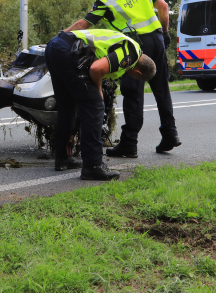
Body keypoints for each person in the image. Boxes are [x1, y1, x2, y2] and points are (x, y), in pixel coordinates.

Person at [64, 0, 179, 157]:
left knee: (133, 92)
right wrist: (165, 33)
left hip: (135, 46)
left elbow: (83, 24)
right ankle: (170, 133)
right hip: (157, 39)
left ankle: (129, 143)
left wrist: (62, 36)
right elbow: (164, 8)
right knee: (161, 88)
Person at [45, 28, 157, 180]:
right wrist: (98, 90)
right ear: (138, 73)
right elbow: (96, 69)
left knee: (68, 107)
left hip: (56, 47)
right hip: (68, 51)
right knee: (95, 107)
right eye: (136, 79)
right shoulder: (130, 53)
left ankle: (63, 157)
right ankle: (93, 166)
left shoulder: (126, 43)